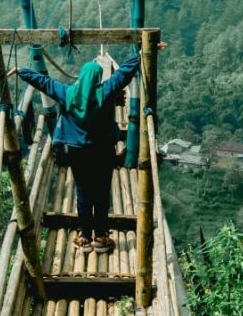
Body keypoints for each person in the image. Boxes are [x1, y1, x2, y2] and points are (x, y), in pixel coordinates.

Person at [9, 43, 166, 254]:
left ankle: (84, 238)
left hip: (78, 153)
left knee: (83, 193)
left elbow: (44, 82)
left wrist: (22, 71)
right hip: (103, 153)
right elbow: (124, 73)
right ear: (97, 78)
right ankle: (101, 237)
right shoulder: (107, 91)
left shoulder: (66, 93)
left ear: (82, 77)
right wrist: (144, 52)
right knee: (101, 193)